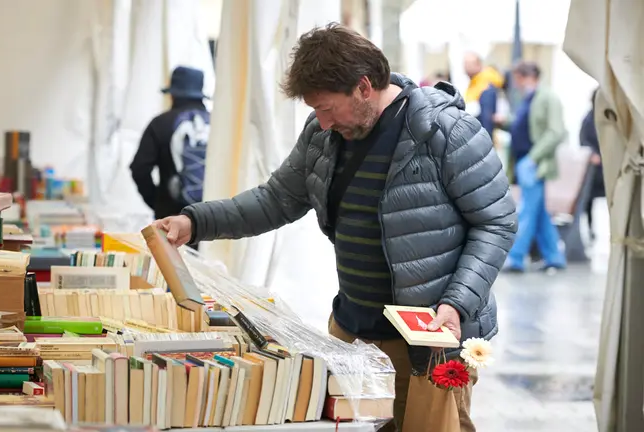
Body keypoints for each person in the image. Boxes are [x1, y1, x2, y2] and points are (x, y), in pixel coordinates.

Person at [152, 24, 517, 431]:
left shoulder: (446, 132)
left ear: (363, 87)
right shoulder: (321, 136)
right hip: (351, 336)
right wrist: (196, 221)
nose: (322, 122)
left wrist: (456, 303)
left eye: (327, 108)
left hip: (429, 344)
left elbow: (496, 223)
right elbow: (275, 200)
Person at [495, 62, 567, 272]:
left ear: (525, 77)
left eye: (517, 79)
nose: (515, 84)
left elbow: (556, 132)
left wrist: (533, 158)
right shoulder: (530, 98)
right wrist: (505, 122)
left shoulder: (547, 97)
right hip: (525, 162)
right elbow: (523, 125)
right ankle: (554, 257)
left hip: (533, 163)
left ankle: (515, 258)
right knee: (539, 214)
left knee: (526, 211)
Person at [130, 66, 211, 222]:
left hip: (171, 219)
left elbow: (139, 168)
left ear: (172, 95)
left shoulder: (160, 123)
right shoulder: (220, 124)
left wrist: (158, 202)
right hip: (213, 219)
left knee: (170, 248)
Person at [580, 88, 604, 241]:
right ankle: (590, 229)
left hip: (606, 167)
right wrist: (593, 154)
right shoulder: (589, 119)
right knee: (589, 201)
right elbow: (583, 140)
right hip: (595, 169)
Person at [463, 52, 503, 138]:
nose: (465, 67)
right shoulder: (474, 83)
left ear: (478, 65)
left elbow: (487, 119)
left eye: (469, 64)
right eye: (465, 64)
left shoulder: (485, 84)